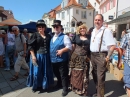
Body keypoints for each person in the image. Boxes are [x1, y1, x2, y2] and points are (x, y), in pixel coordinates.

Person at [90, 14, 116, 97]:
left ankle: (100, 95)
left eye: (99, 20)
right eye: (96, 20)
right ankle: (98, 92)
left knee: (100, 78)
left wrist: (108, 56)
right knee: (94, 76)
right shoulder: (93, 30)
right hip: (93, 55)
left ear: (102, 21)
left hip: (101, 56)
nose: (97, 21)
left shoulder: (106, 31)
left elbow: (112, 45)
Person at [27, 20, 54, 92]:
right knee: (37, 72)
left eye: (42, 26)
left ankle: (44, 85)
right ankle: (36, 86)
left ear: (45, 28)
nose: (41, 28)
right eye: (39, 27)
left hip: (46, 56)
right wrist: (33, 56)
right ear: (37, 28)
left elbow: (51, 45)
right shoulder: (35, 35)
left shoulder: (48, 35)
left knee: (45, 71)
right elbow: (30, 46)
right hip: (38, 55)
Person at [50, 20, 72, 96]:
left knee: (63, 75)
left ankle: (65, 88)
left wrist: (62, 50)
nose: (56, 28)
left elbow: (69, 47)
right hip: (53, 60)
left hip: (62, 60)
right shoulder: (52, 37)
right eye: (54, 27)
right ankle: (59, 84)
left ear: (60, 27)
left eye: (57, 27)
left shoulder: (64, 36)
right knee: (57, 74)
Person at [69, 22, 91, 97]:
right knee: (76, 73)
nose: (82, 30)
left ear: (86, 29)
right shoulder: (76, 36)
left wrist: (90, 56)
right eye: (81, 28)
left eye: (83, 28)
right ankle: (76, 88)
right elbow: (73, 46)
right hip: (75, 57)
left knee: (84, 73)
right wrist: (70, 56)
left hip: (85, 57)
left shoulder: (89, 37)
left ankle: (83, 89)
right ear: (79, 29)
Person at [118, 29, 130, 97]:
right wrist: (120, 61)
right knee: (128, 81)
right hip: (128, 61)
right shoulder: (127, 36)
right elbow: (121, 48)